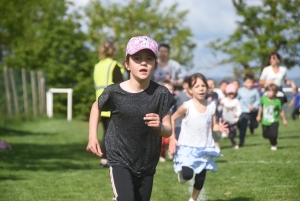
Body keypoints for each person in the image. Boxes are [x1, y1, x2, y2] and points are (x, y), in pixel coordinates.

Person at [87, 36, 175, 201]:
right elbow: (96, 107)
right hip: (119, 157)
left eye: (149, 59)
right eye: (137, 58)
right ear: (127, 64)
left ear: (155, 65)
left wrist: (160, 126)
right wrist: (92, 137)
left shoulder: (161, 94)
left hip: (147, 161)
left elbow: (168, 131)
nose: (143, 63)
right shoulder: (114, 92)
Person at [169, 73, 228, 201]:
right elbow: (172, 119)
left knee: (200, 179)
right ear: (190, 90)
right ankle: (182, 174)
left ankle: (193, 199)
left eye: (203, 86)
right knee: (188, 174)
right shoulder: (186, 106)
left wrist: (219, 128)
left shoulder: (211, 106)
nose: (201, 89)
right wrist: (172, 138)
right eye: (197, 86)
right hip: (187, 147)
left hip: (204, 148)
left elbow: (213, 125)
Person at [93, 41, 124, 168]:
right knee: (111, 133)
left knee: (106, 131)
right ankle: (106, 159)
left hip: (100, 101)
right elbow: (120, 84)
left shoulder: (97, 66)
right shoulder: (114, 65)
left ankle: (104, 158)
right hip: (113, 102)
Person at [256, 84, 288, 150]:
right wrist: (259, 115)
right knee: (265, 135)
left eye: (271, 91)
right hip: (265, 121)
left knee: (273, 134)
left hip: (274, 121)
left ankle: (273, 144)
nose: (269, 93)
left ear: (275, 92)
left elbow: (281, 111)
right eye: (268, 91)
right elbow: (261, 107)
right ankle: (273, 140)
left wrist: (284, 120)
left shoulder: (277, 101)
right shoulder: (263, 99)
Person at [237, 74, 260, 146]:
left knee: (255, 125)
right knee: (243, 127)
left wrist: (254, 106)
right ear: (244, 83)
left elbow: (258, 100)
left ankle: (251, 127)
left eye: (251, 82)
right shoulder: (240, 91)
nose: (250, 84)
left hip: (253, 111)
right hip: (244, 111)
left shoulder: (255, 91)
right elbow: (236, 100)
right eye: (248, 82)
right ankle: (241, 141)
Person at [221, 83, 242, 149]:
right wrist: (221, 104)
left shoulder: (236, 101)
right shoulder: (224, 100)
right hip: (226, 119)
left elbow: (239, 109)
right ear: (227, 93)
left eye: (232, 93)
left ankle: (234, 144)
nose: (231, 95)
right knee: (224, 127)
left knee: (233, 134)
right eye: (229, 93)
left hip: (234, 120)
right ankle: (224, 132)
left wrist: (237, 114)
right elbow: (220, 108)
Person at [173, 76, 192, 141]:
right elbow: (171, 107)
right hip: (179, 125)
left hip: (191, 126)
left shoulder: (197, 97)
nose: (191, 85)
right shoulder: (179, 96)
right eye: (189, 83)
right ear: (184, 85)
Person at [160, 79, 174, 162]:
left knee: (169, 140)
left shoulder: (175, 100)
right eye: (166, 89)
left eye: (171, 89)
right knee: (161, 142)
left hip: (172, 124)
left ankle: (171, 150)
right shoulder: (159, 100)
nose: (168, 91)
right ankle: (162, 155)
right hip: (162, 124)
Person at [206, 79, 220, 148]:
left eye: (212, 84)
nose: (210, 86)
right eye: (208, 84)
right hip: (205, 115)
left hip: (213, 115)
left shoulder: (216, 94)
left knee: (213, 128)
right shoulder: (204, 95)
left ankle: (215, 142)